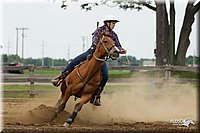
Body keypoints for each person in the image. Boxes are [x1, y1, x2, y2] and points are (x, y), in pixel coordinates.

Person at [51, 15, 127, 106]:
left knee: (105, 76)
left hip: (101, 58)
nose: (114, 25)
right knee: (74, 62)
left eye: (115, 23)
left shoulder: (114, 35)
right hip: (91, 52)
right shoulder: (99, 31)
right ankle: (61, 77)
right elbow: (95, 43)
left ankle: (96, 95)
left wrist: (121, 49)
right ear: (108, 23)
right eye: (113, 23)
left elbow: (117, 45)